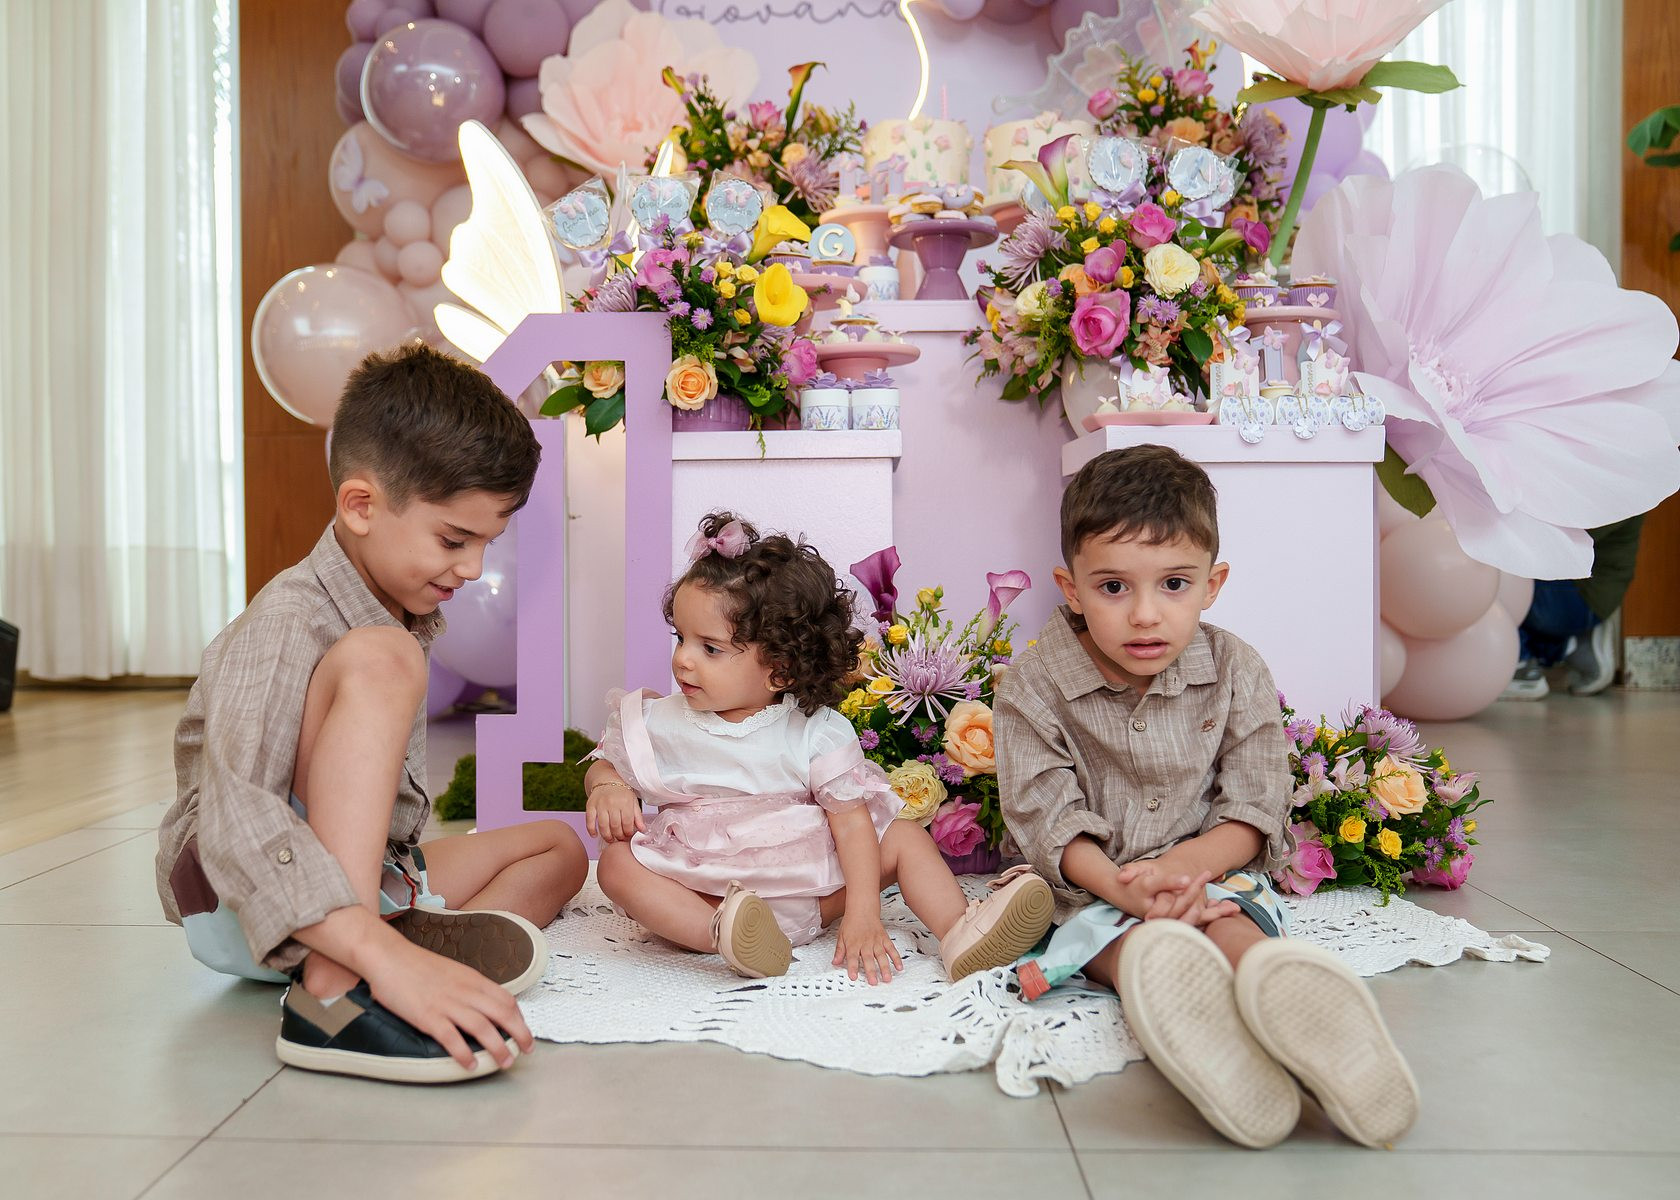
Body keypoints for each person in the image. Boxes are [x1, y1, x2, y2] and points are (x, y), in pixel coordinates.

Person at [156, 345, 589, 1084]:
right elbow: (234, 820)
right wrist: (373, 950)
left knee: (559, 847)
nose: (474, 568)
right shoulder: (288, 620)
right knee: (386, 655)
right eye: (453, 540)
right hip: (243, 894)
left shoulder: (393, 609)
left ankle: (404, 940)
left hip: (369, 872)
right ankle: (334, 988)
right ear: (360, 506)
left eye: (488, 543)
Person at [995, 445, 1418, 1150]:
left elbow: (1254, 808)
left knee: (1233, 922)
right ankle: (1179, 1005)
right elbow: (1047, 817)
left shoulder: (1235, 668)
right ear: (1070, 589)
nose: (1145, 615)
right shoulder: (1035, 683)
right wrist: (1126, 888)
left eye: (1174, 584)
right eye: (1113, 587)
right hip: (1093, 885)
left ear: (1212, 584)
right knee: (1113, 941)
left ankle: (1279, 992)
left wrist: (1180, 872)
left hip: (1213, 874)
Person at [583, 511, 1055, 985]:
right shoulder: (661, 720)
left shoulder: (815, 731)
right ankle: (725, 938)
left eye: (710, 648)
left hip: (811, 895)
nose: (683, 658)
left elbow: (850, 825)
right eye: (681, 638)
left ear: (780, 670)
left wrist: (863, 912)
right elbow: (608, 762)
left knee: (904, 837)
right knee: (617, 864)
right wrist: (608, 786)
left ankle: (959, 930)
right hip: (704, 897)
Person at [1503, 516, 1644, 700]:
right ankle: (1571, 646)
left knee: (1500, 571)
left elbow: (1567, 538)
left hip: (1584, 594)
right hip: (1586, 591)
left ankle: (1519, 664)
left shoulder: (1613, 500)